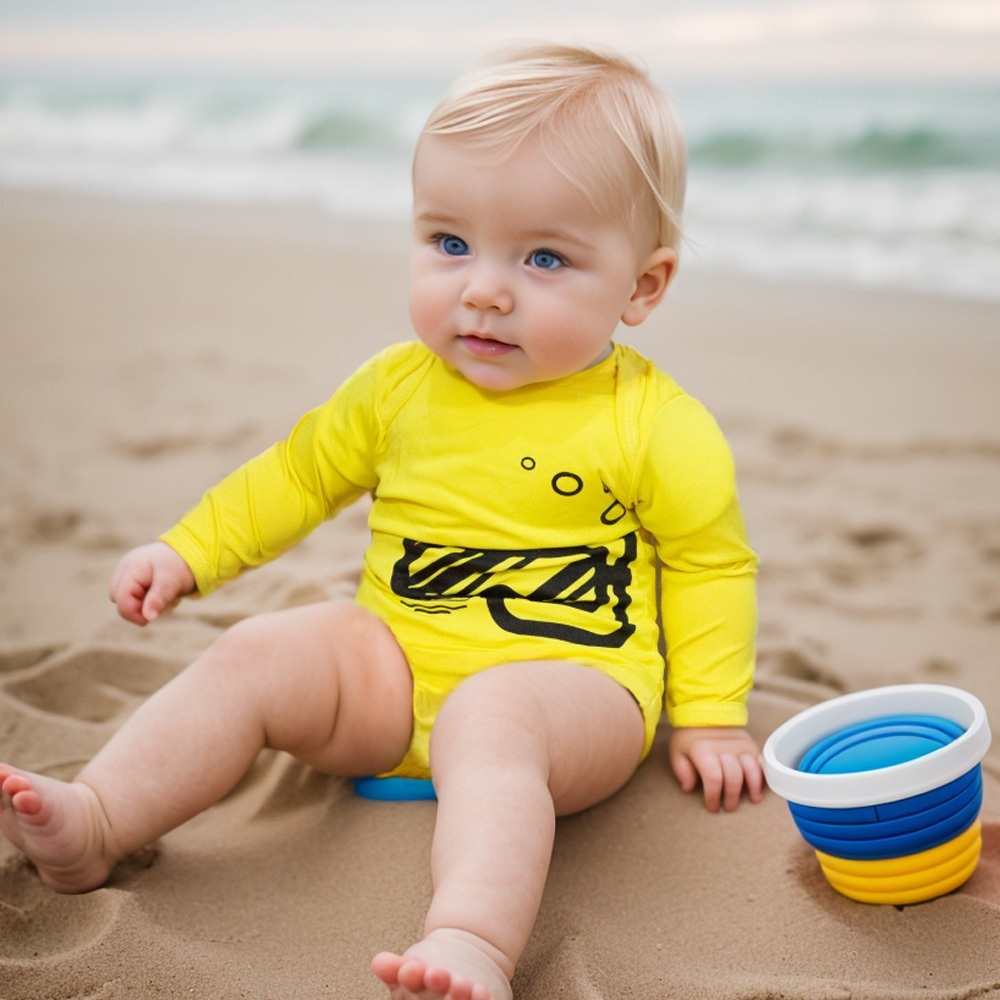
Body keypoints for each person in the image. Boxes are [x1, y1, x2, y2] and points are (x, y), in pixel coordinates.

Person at [0, 43, 764, 1000]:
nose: (483, 288)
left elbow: (708, 565)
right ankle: (101, 818)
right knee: (262, 649)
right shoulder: (396, 389)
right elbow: (297, 476)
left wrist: (711, 718)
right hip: (396, 677)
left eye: (544, 258)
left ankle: (471, 939)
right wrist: (189, 550)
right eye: (451, 243)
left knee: (493, 717)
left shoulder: (655, 424)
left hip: (576, 693)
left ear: (642, 286)